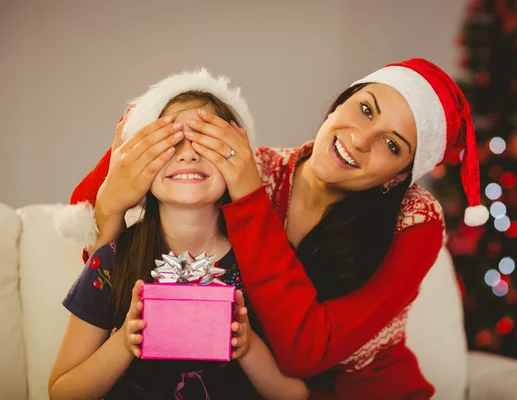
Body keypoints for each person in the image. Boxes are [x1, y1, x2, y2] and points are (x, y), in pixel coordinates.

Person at [56, 58, 488, 399]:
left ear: (400, 175)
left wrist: (248, 198)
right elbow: (109, 278)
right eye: (364, 109)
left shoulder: (416, 219)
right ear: (340, 102)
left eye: (392, 145)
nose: (360, 139)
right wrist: (114, 197)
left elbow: (304, 354)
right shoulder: (252, 167)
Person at [49, 70, 310, 400]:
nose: (188, 154)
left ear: (238, 160)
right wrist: (125, 342)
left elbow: (295, 394)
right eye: (171, 142)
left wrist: (247, 346)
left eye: (205, 140)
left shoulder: (262, 262)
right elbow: (62, 391)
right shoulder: (112, 261)